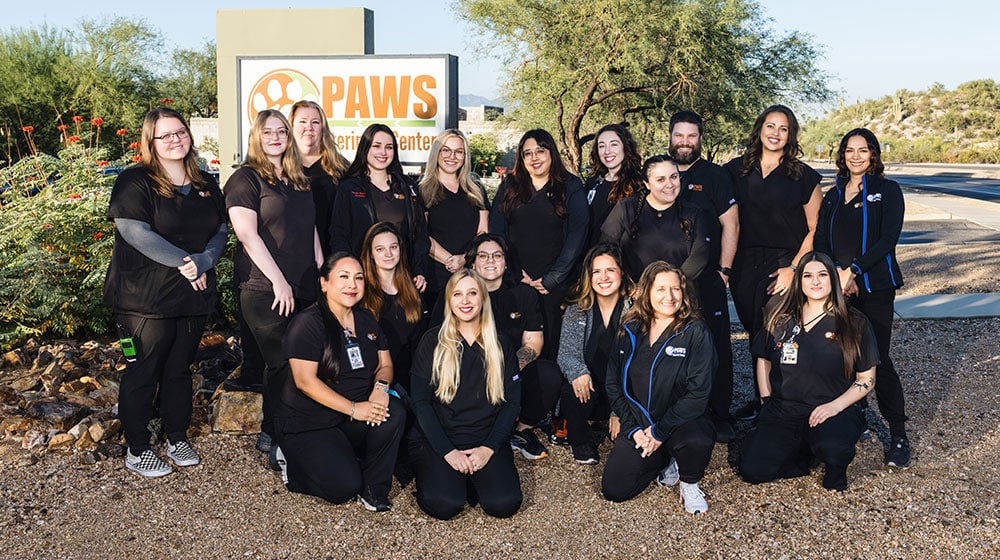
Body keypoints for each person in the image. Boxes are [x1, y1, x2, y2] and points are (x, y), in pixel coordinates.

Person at [102, 107, 227, 477]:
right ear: (150, 142)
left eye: (180, 132)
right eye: (165, 135)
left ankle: (176, 436)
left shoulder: (205, 183)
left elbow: (220, 230)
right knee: (144, 370)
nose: (175, 140)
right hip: (144, 299)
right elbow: (135, 232)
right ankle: (138, 449)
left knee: (178, 370)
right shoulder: (134, 181)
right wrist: (187, 263)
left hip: (191, 295)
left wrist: (204, 262)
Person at [274, 253, 405, 511]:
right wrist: (356, 409)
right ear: (324, 283)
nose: (352, 285)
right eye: (343, 277)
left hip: (348, 418)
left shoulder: (367, 319)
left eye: (358, 278)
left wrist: (380, 389)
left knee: (394, 411)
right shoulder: (307, 324)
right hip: (310, 423)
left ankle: (374, 489)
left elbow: (386, 364)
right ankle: (291, 462)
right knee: (342, 488)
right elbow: (304, 382)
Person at [226, 109, 323, 455]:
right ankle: (275, 432)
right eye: (268, 132)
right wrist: (279, 282)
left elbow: (309, 226)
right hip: (265, 289)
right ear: (257, 136)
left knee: (305, 359)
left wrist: (321, 266)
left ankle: (290, 427)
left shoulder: (297, 179)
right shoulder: (246, 179)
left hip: (304, 285)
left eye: (282, 131)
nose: (276, 137)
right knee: (281, 362)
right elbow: (248, 236)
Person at [739, 252, 878, 491]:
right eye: (808, 276)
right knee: (753, 470)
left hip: (832, 408)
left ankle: (831, 460)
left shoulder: (854, 322)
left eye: (822, 275)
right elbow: (763, 358)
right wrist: (765, 399)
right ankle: (805, 454)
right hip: (785, 408)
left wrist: (834, 406)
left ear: (833, 279)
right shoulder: (780, 318)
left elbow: (867, 379)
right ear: (799, 281)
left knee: (834, 448)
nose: (815, 282)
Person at [813, 128, 910, 467]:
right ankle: (855, 419)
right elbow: (821, 240)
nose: (856, 156)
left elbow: (887, 239)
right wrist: (838, 274)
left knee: (876, 356)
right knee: (843, 355)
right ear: (842, 155)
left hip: (875, 287)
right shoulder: (834, 194)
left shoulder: (888, 190)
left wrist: (854, 269)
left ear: (873, 155)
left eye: (863, 150)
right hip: (841, 286)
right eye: (850, 150)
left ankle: (897, 433)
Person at [723, 105, 822, 421]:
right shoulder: (735, 170)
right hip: (743, 263)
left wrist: (794, 270)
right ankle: (761, 399)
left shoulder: (803, 176)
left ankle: (785, 405)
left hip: (784, 263)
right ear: (759, 129)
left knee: (778, 334)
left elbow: (815, 228)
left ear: (790, 135)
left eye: (783, 128)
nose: (775, 133)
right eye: (770, 126)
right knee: (755, 332)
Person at [430, 233, 561, 460]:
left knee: (548, 374)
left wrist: (505, 369)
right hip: (465, 375)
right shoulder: (455, 293)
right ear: (472, 263)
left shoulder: (524, 294)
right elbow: (438, 342)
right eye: (483, 256)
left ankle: (520, 431)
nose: (491, 261)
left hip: (508, 372)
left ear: (506, 261)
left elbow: (534, 342)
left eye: (497, 255)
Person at [602, 261, 715, 514]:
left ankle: (688, 480)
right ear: (646, 292)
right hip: (640, 424)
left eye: (676, 289)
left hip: (679, 423)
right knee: (615, 489)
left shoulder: (695, 332)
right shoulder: (629, 330)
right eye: (661, 289)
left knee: (696, 439)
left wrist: (659, 432)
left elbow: (698, 394)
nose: (670, 296)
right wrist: (633, 429)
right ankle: (664, 459)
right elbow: (613, 384)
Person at [409, 269, 523, 520]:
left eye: (472, 293)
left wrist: (489, 448)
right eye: (458, 294)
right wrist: (448, 452)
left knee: (504, 504)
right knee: (445, 504)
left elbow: (512, 403)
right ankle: (453, 478)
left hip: (484, 438)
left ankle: (473, 479)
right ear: (449, 300)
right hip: (442, 438)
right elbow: (420, 402)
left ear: (483, 298)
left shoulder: (500, 344)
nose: (465, 301)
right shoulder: (432, 341)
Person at [668, 110, 740, 442]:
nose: (685, 142)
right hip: (665, 284)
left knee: (716, 348)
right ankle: (676, 412)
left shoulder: (715, 175)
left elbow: (731, 224)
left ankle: (720, 414)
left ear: (700, 139)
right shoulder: (659, 172)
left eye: (691, 136)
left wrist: (724, 271)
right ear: (670, 137)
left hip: (707, 279)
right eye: (679, 135)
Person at [489, 129, 589, 360]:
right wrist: (513, 270)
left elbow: (577, 234)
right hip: (515, 281)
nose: (534, 158)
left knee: (550, 348)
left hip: (554, 285)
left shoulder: (570, 186)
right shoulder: (510, 186)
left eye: (540, 151)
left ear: (551, 153)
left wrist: (553, 278)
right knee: (514, 345)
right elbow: (497, 231)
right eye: (527, 153)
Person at [556, 244, 633, 464]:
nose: (603, 277)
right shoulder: (577, 308)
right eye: (596, 272)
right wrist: (578, 372)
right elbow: (566, 353)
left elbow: (638, 364)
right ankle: (580, 441)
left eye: (610, 270)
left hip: (621, 392)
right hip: (588, 392)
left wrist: (619, 408)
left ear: (621, 272)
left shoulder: (636, 310)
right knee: (572, 389)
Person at [329, 123, 430, 291]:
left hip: (402, 279)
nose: (383, 152)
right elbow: (339, 235)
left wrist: (419, 270)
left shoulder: (407, 186)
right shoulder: (349, 188)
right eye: (377, 146)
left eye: (389, 147)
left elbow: (420, 234)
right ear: (365, 148)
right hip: (364, 280)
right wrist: (349, 273)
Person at [600, 154, 711, 284]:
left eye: (674, 177)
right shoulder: (626, 208)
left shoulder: (694, 213)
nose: (669, 184)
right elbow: (605, 249)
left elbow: (699, 257)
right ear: (647, 184)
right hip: (634, 293)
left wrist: (669, 287)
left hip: (677, 293)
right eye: (660, 180)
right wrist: (629, 286)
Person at [419, 129, 489, 306]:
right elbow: (421, 234)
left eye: (459, 151)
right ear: (437, 153)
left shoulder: (476, 190)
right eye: (446, 150)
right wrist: (450, 261)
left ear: (465, 156)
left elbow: (483, 232)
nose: (452, 156)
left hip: (472, 274)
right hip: (436, 277)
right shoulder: (422, 190)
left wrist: (465, 259)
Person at [360, 222, 426, 393]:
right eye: (380, 249)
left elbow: (420, 345)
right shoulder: (361, 294)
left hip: (410, 381)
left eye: (393, 247)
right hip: (373, 383)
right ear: (371, 254)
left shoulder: (414, 291)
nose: (388, 254)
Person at [290, 100, 349, 256]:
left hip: (333, 256)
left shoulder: (341, 169)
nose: (308, 127)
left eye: (315, 122)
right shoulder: (280, 168)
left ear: (323, 128)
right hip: (290, 259)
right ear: (291, 126)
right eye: (302, 121)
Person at [584, 124, 644, 248]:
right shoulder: (592, 183)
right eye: (602, 146)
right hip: (589, 259)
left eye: (614, 144)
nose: (607, 151)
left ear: (625, 147)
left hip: (619, 259)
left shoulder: (639, 185)